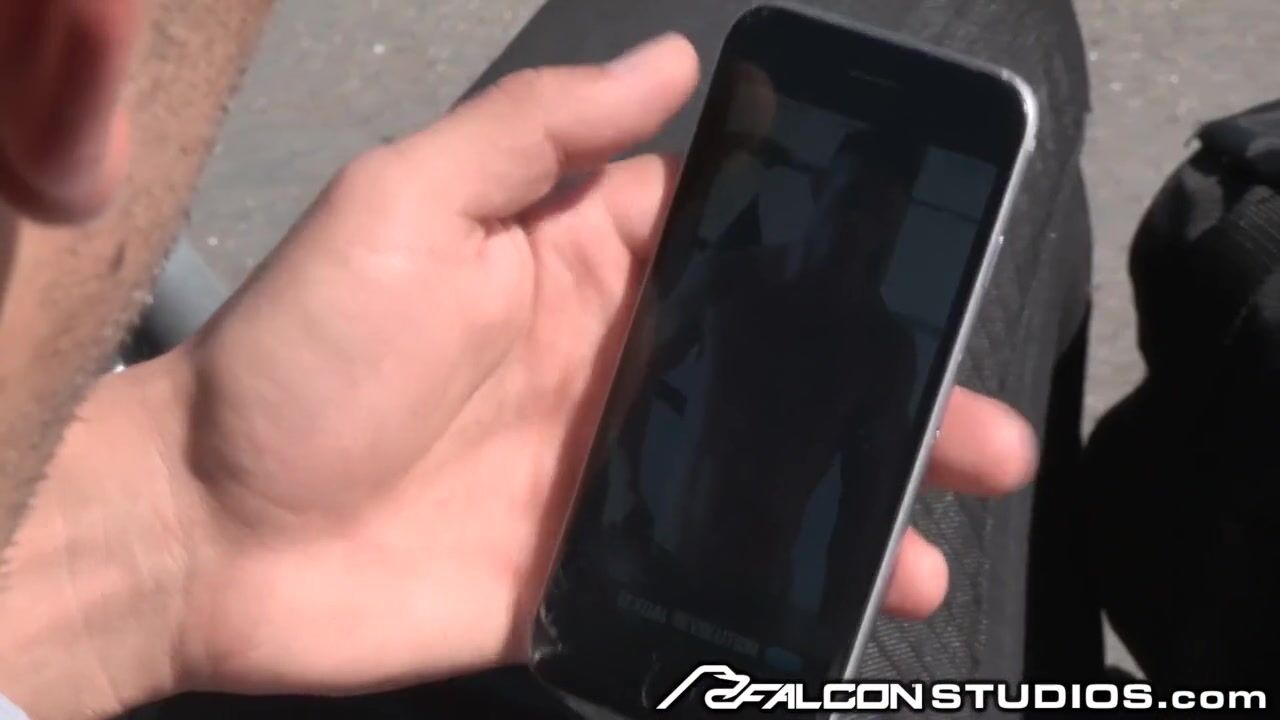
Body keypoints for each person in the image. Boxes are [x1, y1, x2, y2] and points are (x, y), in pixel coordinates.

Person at [0, 4, 1038, 720]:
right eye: (849, 200)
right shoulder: (735, 282)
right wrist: (623, 512)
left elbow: (858, 515)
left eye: (878, 215)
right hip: (633, 564)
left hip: (762, 611)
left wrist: (182, 510)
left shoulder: (877, 347)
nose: (856, 225)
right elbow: (641, 382)